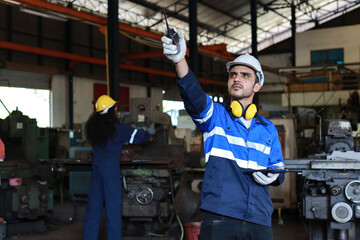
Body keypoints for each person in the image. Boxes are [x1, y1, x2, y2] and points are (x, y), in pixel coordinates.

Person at [161, 31, 285, 240]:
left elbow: (279, 168)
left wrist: (275, 175)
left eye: (245, 75)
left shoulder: (268, 128)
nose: (237, 78)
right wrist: (179, 60)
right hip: (220, 217)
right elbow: (193, 95)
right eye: (233, 74)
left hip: (259, 218)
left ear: (257, 85)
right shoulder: (216, 117)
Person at [82, 95, 151, 240]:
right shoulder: (117, 129)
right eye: (115, 108)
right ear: (111, 110)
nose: (117, 110)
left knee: (92, 212)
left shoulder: (92, 128)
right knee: (113, 213)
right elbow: (141, 137)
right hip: (110, 175)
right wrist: (148, 130)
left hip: (96, 174)